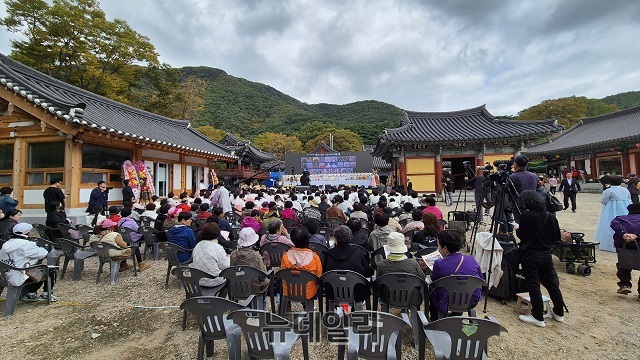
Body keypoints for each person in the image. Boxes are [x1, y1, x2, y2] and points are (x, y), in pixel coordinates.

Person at [515, 190, 565, 328]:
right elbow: (556, 236)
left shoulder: (526, 216)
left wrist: (517, 230)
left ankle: (537, 316)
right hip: (545, 254)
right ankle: (559, 312)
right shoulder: (550, 216)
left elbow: (522, 235)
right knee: (552, 283)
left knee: (533, 284)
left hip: (530, 254)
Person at [429, 230, 484, 319]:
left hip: (447, 301)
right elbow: (481, 279)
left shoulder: (439, 263)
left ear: (445, 248)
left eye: (439, 245)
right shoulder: (471, 259)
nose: (438, 248)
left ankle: (435, 317)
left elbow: (433, 280)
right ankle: (457, 314)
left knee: (432, 289)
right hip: (470, 299)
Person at [0, 223, 59, 301]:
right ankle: (45, 293)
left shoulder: (6, 244)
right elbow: (43, 253)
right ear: (27, 232)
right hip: (18, 276)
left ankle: (31, 293)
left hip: (3, 276)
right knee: (49, 270)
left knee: (36, 268)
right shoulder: (27, 245)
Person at [322, 225, 374, 303]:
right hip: (356, 292)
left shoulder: (328, 254)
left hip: (333, 292)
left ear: (336, 239)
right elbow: (368, 272)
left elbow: (324, 273)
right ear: (350, 238)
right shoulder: (358, 252)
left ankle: (342, 309)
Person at [376, 232, 425, 307]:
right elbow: (422, 279)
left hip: (388, 298)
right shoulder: (413, 263)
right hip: (412, 299)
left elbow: (378, 284)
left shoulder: (381, 265)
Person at [280, 226, 323, 304]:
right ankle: (307, 306)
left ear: (292, 240)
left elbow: (283, 274)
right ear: (308, 239)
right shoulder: (315, 258)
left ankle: (287, 307)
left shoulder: (285, 256)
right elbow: (319, 277)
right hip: (308, 293)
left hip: (289, 291)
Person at [610, 203, 640, 300]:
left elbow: (613, 223)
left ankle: (625, 284)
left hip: (623, 245)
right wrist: (636, 235)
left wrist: (624, 234)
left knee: (624, 263)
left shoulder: (620, 218)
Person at [594, 176, 631, 252]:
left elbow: (603, 200)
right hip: (624, 208)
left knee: (608, 223)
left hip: (611, 209)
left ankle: (609, 244)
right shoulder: (625, 190)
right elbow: (629, 199)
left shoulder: (609, 191)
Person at [230, 227, 269, 297]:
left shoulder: (233, 254)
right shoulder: (256, 256)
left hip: (237, 286)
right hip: (254, 288)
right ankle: (261, 305)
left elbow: (232, 271)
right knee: (266, 281)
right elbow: (262, 276)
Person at [191, 222, 229, 289]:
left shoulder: (198, 245)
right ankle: (222, 297)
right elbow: (225, 266)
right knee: (230, 276)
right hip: (213, 280)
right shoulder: (218, 247)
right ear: (217, 234)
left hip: (198, 279)